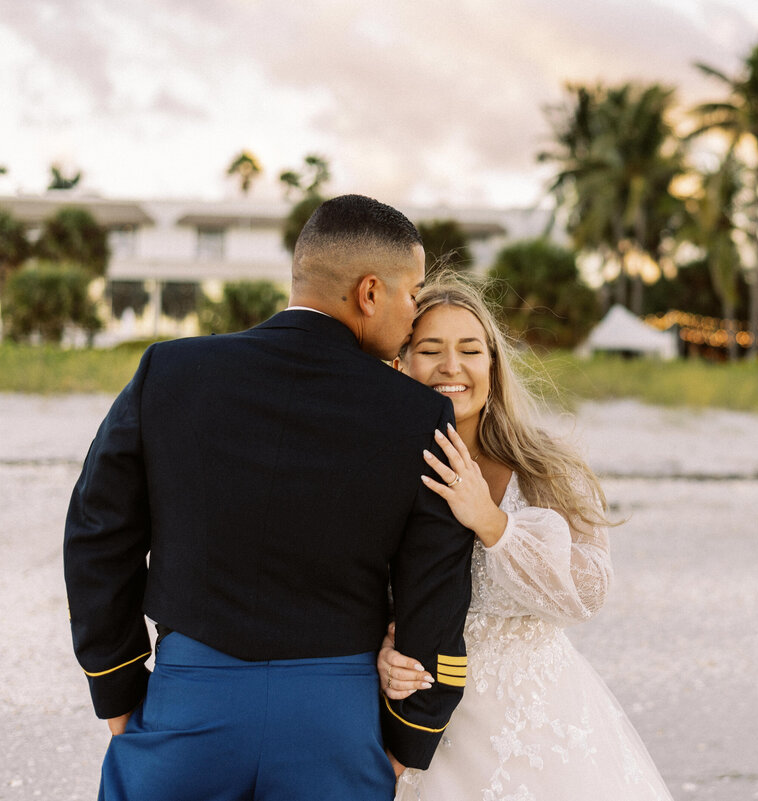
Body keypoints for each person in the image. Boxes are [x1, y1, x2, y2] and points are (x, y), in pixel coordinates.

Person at [63, 194, 475, 800]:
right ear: (369, 293)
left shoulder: (168, 372)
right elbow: (435, 589)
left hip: (187, 701)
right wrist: (408, 738)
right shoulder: (420, 415)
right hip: (335, 719)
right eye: (412, 294)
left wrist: (117, 684)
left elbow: (98, 533)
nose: (414, 316)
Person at [378, 277, 674, 800]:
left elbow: (587, 593)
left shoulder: (545, 468)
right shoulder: (380, 472)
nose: (452, 366)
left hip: (539, 731)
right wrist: (382, 650)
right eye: (430, 350)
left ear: (493, 365)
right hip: (423, 727)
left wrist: (490, 522)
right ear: (401, 363)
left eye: (470, 350)